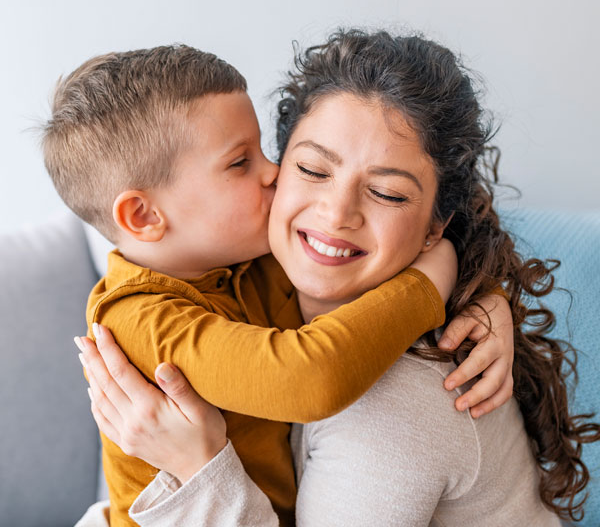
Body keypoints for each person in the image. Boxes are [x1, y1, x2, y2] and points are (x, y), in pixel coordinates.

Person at [81, 30, 600, 526]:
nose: (335, 215)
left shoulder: (394, 410)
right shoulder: (224, 270)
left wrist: (198, 466)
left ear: (435, 227)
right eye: (311, 170)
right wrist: (457, 276)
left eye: (389, 194)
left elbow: (313, 377)